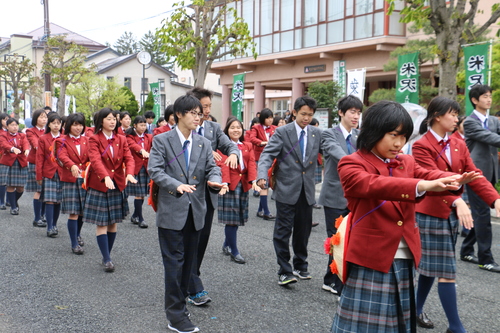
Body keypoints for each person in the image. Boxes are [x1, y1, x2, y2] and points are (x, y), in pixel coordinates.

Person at [331, 100, 480, 333]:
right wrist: (423, 185)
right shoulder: (352, 162)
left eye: (404, 136)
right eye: (393, 135)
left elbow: (428, 173)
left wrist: (451, 180)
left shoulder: (406, 161)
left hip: (405, 256)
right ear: (373, 131)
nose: (399, 143)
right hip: (372, 256)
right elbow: (374, 184)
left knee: (396, 325)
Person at [412, 96, 500, 333]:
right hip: (431, 214)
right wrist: (457, 200)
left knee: (432, 268)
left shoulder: (458, 142)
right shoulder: (421, 145)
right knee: (446, 271)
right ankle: (455, 327)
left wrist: (495, 198)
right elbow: (430, 177)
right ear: (437, 116)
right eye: (452, 114)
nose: (456, 119)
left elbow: (474, 173)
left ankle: (414, 310)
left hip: (451, 214)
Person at [148, 94, 224, 333]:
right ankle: (175, 316)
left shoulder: (203, 143)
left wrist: (215, 181)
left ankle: (181, 306)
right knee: (174, 264)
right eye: (193, 112)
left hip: (196, 212)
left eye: (199, 113)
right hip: (172, 212)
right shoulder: (162, 140)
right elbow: (155, 170)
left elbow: (213, 168)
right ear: (178, 114)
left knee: (189, 264)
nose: (197, 117)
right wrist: (175, 185)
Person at [256, 96, 322, 285]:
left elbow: (330, 150)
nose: (306, 118)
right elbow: (267, 154)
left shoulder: (316, 133)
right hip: (286, 188)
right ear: (294, 112)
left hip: (307, 190)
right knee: (283, 231)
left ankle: (300, 265)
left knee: (303, 231)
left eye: (310, 115)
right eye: (303, 114)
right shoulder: (282, 132)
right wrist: (262, 175)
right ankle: (284, 270)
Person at [186, 87, 239, 306]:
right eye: (203, 106)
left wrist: (234, 152)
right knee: (188, 240)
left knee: (202, 239)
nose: (207, 111)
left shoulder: (214, 128)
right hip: (185, 194)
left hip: (207, 194)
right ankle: (194, 286)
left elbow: (228, 144)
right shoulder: (182, 129)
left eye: (209, 106)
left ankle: (191, 278)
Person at [318, 95, 363, 296]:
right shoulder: (329, 134)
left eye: (359, 112)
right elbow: (338, 154)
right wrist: (359, 162)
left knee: (351, 239)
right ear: (341, 113)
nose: (356, 116)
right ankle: (336, 281)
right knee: (336, 239)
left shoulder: (359, 136)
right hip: (335, 195)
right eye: (352, 111)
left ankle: (331, 278)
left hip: (355, 196)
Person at [82, 108, 137, 272]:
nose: (113, 121)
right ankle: (106, 258)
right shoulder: (94, 139)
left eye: (114, 118)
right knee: (102, 222)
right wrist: (105, 176)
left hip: (117, 183)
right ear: (100, 121)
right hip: (100, 184)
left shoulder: (121, 138)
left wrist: (130, 174)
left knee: (113, 222)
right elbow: (95, 160)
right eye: (109, 119)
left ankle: (108, 254)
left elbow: (129, 158)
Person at [460, 85, 500, 273]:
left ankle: (467, 250)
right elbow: (490, 138)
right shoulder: (470, 122)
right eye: (485, 96)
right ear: (475, 100)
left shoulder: (493, 120)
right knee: (483, 214)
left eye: (490, 96)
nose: (489, 100)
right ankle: (486, 259)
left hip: (490, 173)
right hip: (475, 175)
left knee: (480, 213)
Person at [217, 118, 260, 264]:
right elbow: (223, 165)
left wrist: (253, 180)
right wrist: (225, 183)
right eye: (232, 127)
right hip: (229, 186)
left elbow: (252, 164)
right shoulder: (223, 146)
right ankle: (234, 251)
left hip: (243, 185)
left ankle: (226, 244)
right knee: (231, 221)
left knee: (236, 219)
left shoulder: (247, 145)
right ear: (227, 130)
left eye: (238, 127)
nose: (236, 130)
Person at [54, 112, 89, 254]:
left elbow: (93, 156)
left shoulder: (88, 140)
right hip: (69, 179)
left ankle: (77, 234)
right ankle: (74, 243)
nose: (78, 128)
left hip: (85, 179)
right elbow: (61, 156)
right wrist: (72, 165)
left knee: (82, 212)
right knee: (73, 212)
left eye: (80, 125)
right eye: (75, 125)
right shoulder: (60, 141)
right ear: (68, 126)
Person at [36, 113, 63, 237]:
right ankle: (50, 227)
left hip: (62, 173)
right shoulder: (43, 138)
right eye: (53, 123)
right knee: (50, 201)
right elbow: (39, 158)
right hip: (48, 173)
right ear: (49, 124)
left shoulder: (65, 138)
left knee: (58, 201)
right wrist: (39, 175)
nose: (56, 125)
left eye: (58, 123)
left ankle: (55, 224)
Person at [246, 108, 276, 219]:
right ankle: (266, 212)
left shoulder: (275, 129)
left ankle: (260, 210)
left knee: (265, 183)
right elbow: (252, 138)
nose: (270, 120)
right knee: (264, 183)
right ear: (263, 118)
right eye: (268, 118)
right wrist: (263, 142)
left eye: (271, 118)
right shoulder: (256, 127)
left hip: (272, 159)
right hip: (259, 158)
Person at [126, 116, 152, 229]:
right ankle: (141, 218)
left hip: (146, 168)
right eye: (141, 125)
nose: (143, 127)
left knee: (142, 195)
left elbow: (153, 148)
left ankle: (135, 215)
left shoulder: (149, 137)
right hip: (135, 167)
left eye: (144, 125)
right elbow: (133, 146)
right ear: (135, 126)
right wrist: (142, 151)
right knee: (139, 194)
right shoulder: (129, 137)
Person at [0, 118, 30, 215]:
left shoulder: (22, 135)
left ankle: (13, 200)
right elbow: (4, 144)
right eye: (12, 125)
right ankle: (13, 207)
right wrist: (13, 149)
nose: (15, 127)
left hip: (21, 162)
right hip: (9, 162)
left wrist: (26, 149)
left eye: (16, 125)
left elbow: (26, 143)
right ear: (7, 126)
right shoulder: (3, 135)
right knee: (10, 185)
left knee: (21, 187)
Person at [25, 109, 48, 228]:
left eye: (45, 117)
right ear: (35, 119)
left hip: (49, 163)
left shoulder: (48, 131)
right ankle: (36, 218)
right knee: (39, 190)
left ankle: (43, 215)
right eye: (41, 117)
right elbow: (36, 145)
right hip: (36, 162)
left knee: (46, 190)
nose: (44, 119)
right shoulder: (30, 131)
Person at [0, 113, 10, 210]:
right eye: (4, 119)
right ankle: (1, 201)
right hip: (2, 157)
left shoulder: (12, 132)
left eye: (8, 119)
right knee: (2, 180)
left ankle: (9, 200)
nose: (6, 121)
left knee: (9, 180)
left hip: (11, 157)